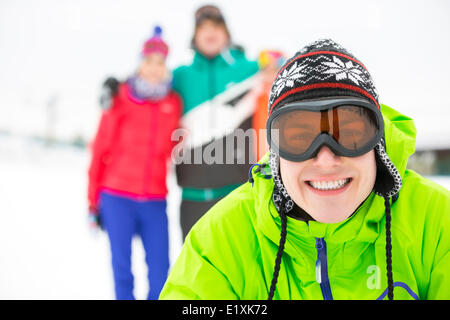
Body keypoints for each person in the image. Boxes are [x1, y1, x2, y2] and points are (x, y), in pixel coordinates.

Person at [159, 39, 450, 300]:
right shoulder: (224, 239)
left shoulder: (435, 223)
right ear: (276, 155)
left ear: (378, 142)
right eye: (299, 138)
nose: (325, 159)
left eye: (349, 134)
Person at [87, 26, 182, 300]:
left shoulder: (173, 102)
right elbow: (99, 151)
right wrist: (93, 203)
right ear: (140, 64)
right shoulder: (120, 97)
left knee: (161, 272)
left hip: (154, 199)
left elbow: (174, 144)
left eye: (160, 63)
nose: (154, 68)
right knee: (122, 271)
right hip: (116, 197)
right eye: (149, 62)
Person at [172, 5, 260, 240]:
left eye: (216, 27)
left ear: (227, 33)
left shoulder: (248, 70)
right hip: (192, 195)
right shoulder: (180, 76)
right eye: (203, 28)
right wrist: (118, 87)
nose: (210, 33)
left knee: (240, 268)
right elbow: (149, 85)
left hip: (237, 193)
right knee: (196, 272)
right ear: (195, 35)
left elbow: (279, 66)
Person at [252, 50, 285, 160]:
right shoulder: (255, 95)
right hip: (260, 155)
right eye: (266, 69)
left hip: (283, 154)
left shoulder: (286, 96)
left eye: (274, 69)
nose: (270, 73)